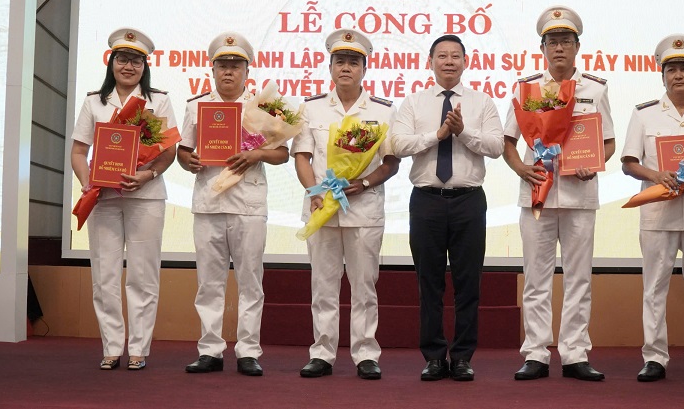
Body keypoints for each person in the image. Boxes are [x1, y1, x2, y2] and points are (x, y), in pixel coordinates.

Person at [503, 6, 615, 381]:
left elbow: (609, 142)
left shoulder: (595, 88)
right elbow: (508, 142)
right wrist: (521, 169)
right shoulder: (527, 88)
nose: (560, 48)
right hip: (537, 194)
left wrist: (594, 163)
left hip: (579, 196)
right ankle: (536, 353)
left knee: (579, 278)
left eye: (566, 41)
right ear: (543, 48)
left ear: (577, 46)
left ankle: (574, 354)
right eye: (553, 42)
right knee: (536, 278)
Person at [391, 34, 504, 382]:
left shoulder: (482, 102)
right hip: (426, 200)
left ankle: (463, 357)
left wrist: (463, 132)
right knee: (429, 282)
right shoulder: (413, 103)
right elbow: (398, 144)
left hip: (468, 201)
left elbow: (497, 146)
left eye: (456, 56)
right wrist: (437, 135)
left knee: (469, 283)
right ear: (430, 62)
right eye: (442, 56)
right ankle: (434, 357)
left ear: (466, 62)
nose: (449, 61)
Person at [293, 29, 400, 380]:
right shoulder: (311, 108)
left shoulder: (384, 111)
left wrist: (364, 183)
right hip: (321, 207)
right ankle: (322, 353)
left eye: (354, 62)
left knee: (364, 286)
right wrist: (314, 192)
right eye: (340, 61)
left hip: (364, 208)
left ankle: (366, 353)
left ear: (364, 69)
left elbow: (391, 162)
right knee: (323, 285)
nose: (346, 68)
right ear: (329, 67)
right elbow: (302, 156)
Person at [179, 32, 288, 376]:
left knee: (250, 281)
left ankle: (248, 351)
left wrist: (257, 154)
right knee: (209, 283)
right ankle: (210, 350)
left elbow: (283, 154)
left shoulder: (263, 108)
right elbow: (183, 150)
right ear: (212, 70)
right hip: (209, 202)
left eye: (235, 65)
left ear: (247, 71)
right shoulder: (195, 106)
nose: (228, 71)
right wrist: (188, 161)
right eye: (222, 65)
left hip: (248, 204)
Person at [621, 34, 684, 383]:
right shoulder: (644, 115)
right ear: (662, 76)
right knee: (654, 288)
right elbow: (628, 162)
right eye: (671, 70)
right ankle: (654, 357)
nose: (678, 75)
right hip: (658, 212)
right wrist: (656, 175)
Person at [71, 28, 177, 371]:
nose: (129, 66)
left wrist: (147, 174)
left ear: (145, 66)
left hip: (145, 197)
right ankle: (112, 347)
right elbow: (78, 151)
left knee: (143, 274)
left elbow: (169, 151)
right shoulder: (94, 102)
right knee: (104, 273)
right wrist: (87, 183)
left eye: (136, 61)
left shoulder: (158, 101)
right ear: (111, 62)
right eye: (122, 59)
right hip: (103, 198)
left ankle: (139, 348)